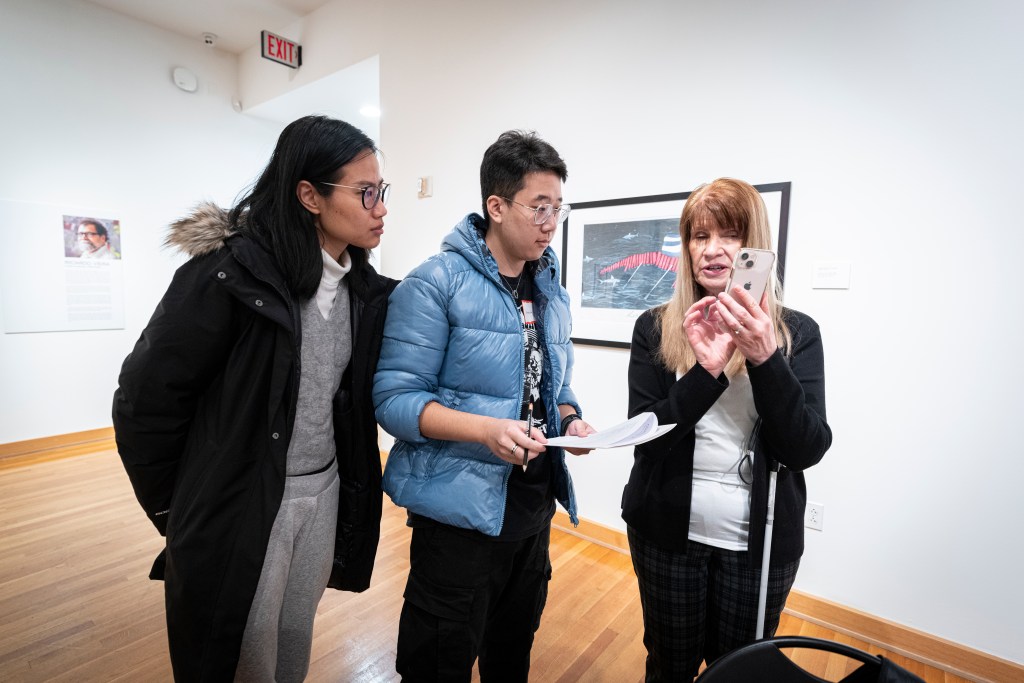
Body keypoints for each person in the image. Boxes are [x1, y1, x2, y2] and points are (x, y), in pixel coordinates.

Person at [112, 115, 397, 682]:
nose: (381, 207)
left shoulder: (363, 292)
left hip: (324, 493)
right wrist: (181, 508)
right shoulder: (225, 276)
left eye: (381, 191)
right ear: (309, 196)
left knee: (292, 644)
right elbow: (145, 400)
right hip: (246, 501)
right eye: (365, 193)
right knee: (243, 657)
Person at [372, 130, 595, 682]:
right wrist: (484, 430)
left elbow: (553, 386)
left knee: (511, 652)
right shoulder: (434, 285)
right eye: (538, 207)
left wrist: (571, 419)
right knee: (439, 661)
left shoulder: (550, 288)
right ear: (496, 206)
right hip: (457, 517)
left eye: (557, 209)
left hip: (530, 509)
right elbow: (394, 401)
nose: (550, 222)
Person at [622, 178, 832, 681]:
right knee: (669, 665)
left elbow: (805, 446)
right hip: (666, 536)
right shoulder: (655, 327)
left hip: (757, 544)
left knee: (737, 672)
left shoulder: (796, 333)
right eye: (698, 236)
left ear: (753, 243)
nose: (712, 250)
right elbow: (648, 442)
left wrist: (763, 358)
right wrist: (706, 373)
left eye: (730, 234)